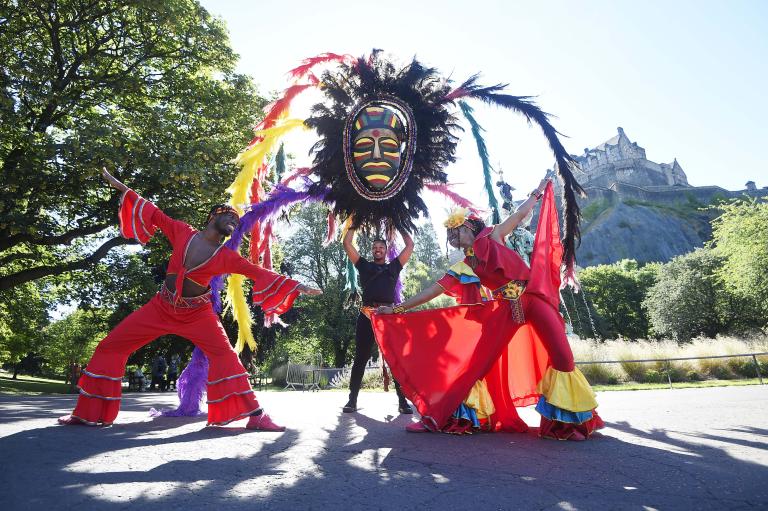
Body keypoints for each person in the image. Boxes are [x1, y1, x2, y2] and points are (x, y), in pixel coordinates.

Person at [58, 168, 321, 430]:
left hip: (197, 314)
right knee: (109, 346)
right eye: (229, 215)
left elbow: (258, 272)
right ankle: (88, 412)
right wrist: (122, 188)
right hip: (160, 307)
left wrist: (298, 285)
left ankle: (256, 416)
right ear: (212, 217)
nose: (233, 220)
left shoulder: (225, 257)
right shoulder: (183, 232)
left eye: (236, 219)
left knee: (227, 357)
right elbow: (154, 213)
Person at [374, 178, 604, 441]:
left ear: (470, 227)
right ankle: (456, 416)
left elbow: (518, 215)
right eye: (450, 236)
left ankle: (567, 425)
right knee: (477, 365)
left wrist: (537, 192)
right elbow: (434, 289)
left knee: (563, 358)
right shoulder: (467, 264)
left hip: (533, 298)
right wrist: (398, 308)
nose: (453, 239)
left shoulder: (494, 235)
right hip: (505, 308)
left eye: (455, 232)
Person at [342, 227, 414, 414]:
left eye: (381, 247)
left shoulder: (394, 267)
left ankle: (402, 402)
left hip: (388, 317)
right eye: (374, 247)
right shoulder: (364, 265)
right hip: (367, 315)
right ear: (372, 250)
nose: (377, 249)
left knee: (395, 359)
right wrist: (354, 224)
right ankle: (352, 400)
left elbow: (410, 245)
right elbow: (347, 244)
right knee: (360, 358)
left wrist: (400, 224)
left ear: (386, 249)